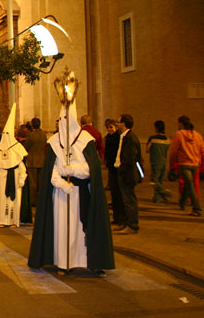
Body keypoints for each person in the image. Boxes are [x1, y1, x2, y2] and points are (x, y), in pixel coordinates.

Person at [28, 103, 114, 277]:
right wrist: (61, 183)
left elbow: (91, 169)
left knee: (81, 228)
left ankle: (85, 262)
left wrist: (72, 170)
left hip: (81, 193)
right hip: (60, 194)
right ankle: (63, 262)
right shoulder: (53, 142)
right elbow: (50, 171)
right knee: (61, 229)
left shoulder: (86, 141)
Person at [0, 104, 28, 228]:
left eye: (7, 134)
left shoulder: (17, 148)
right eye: (3, 133)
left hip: (13, 178)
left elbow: (21, 165)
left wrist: (22, 178)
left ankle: (12, 220)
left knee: (13, 202)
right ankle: (0, 220)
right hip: (0, 179)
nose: (5, 136)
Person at [169, 115, 204, 217]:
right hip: (195, 164)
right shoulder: (198, 135)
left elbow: (174, 151)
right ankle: (182, 202)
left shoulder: (179, 134)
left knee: (189, 184)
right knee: (189, 184)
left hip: (184, 164)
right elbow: (202, 150)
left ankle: (196, 208)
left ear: (181, 124)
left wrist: (172, 164)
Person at [113, 114, 142, 234]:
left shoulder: (130, 138)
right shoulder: (124, 136)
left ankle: (132, 225)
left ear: (123, 124)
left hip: (127, 174)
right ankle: (125, 222)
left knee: (129, 200)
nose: (117, 125)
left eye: (119, 122)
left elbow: (129, 158)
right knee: (125, 200)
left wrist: (121, 170)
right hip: (123, 172)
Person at [104, 119, 124, 225]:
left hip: (117, 168)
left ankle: (120, 218)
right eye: (108, 127)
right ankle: (116, 218)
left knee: (118, 193)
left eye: (111, 127)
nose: (109, 129)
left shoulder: (118, 138)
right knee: (114, 193)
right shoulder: (108, 138)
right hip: (111, 168)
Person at [146, 120, 171, 203]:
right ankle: (157, 198)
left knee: (154, 181)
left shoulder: (152, 138)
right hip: (164, 162)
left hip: (155, 161)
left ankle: (164, 192)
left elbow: (147, 149)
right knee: (159, 180)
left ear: (156, 128)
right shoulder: (167, 139)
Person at [24, 118, 47, 207]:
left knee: (33, 183)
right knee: (40, 183)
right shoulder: (44, 135)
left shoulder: (31, 135)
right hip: (42, 160)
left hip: (33, 161)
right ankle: (40, 200)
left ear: (32, 125)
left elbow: (26, 147)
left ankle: (33, 201)